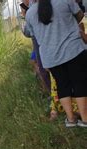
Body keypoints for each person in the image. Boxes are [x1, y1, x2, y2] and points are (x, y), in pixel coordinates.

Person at [23, 0, 87, 128]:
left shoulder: (30, 13)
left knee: (62, 86)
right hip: (73, 50)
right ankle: (85, 119)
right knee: (79, 82)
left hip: (51, 58)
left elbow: (29, 33)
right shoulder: (64, 1)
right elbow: (80, 16)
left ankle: (70, 119)